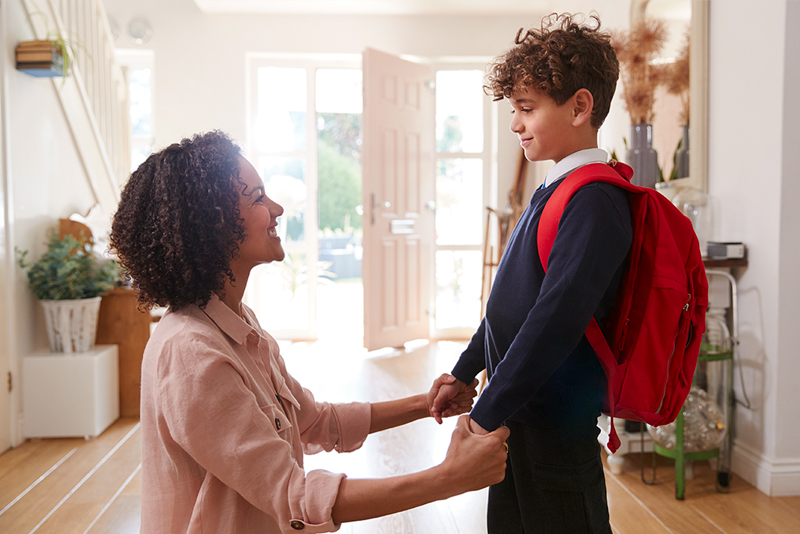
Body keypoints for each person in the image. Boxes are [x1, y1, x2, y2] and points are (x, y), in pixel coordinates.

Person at [109, 130, 510, 534]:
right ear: (212, 224)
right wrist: (449, 478)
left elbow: (316, 421)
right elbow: (294, 495)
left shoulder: (238, 323)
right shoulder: (190, 352)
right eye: (258, 198)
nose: (277, 208)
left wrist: (424, 405)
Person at [430, 13, 631, 534]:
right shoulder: (554, 190)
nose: (516, 123)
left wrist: (482, 415)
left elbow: (554, 321)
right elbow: (509, 306)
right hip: (519, 415)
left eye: (526, 109)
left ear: (580, 106)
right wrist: (465, 369)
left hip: (557, 432)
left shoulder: (596, 201)